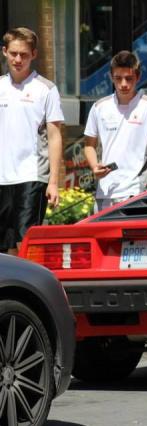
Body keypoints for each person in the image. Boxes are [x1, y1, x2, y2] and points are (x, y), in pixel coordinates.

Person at [0, 27, 64, 255]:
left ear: (34, 55)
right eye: (14, 53)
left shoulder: (46, 89)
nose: (18, 59)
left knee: (25, 242)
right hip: (2, 176)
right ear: (4, 51)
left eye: (24, 54)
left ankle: (30, 290)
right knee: (5, 247)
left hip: (32, 175)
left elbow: (55, 136)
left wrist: (54, 182)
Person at [84, 50, 147, 212]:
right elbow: (89, 145)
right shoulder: (99, 107)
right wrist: (95, 166)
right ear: (111, 77)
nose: (123, 84)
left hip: (135, 193)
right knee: (103, 237)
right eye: (118, 78)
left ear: (138, 77)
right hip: (105, 194)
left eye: (129, 78)